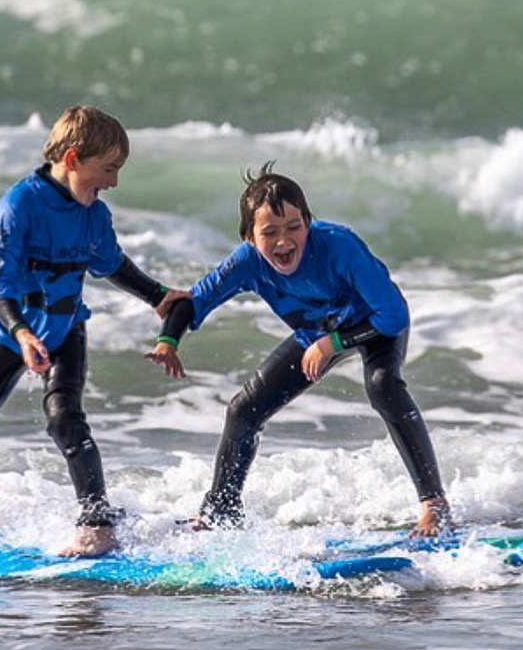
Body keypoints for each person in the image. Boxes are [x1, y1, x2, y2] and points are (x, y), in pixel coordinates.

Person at [0, 106, 186, 556]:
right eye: (108, 169)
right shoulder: (19, 207)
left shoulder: (93, 214)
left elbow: (111, 264)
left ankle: (97, 525)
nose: (113, 182)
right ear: (72, 159)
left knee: (66, 419)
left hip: (65, 329)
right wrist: (22, 334)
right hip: (10, 332)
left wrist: (158, 296)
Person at [146, 163, 452, 538]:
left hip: (373, 322)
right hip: (316, 334)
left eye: (294, 227)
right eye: (269, 232)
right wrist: (168, 340)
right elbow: (194, 300)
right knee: (243, 410)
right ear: (249, 237)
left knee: (382, 384)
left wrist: (333, 342)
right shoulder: (246, 263)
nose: (284, 241)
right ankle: (221, 513)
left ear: (308, 222)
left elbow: (392, 315)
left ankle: (435, 505)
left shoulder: (339, 245)